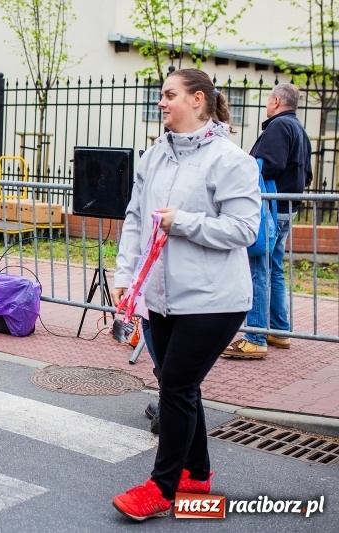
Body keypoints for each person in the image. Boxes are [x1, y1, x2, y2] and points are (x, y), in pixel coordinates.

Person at [110, 68, 260, 521]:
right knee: (179, 383)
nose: (161, 103)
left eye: (169, 95)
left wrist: (184, 222)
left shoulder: (232, 161)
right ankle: (197, 475)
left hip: (215, 299)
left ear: (198, 101)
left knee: (175, 384)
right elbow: (137, 217)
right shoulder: (153, 155)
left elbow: (244, 230)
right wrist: (125, 275)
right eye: (161, 95)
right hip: (161, 295)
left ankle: (161, 487)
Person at [222, 83, 313, 359]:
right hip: (287, 206)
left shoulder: (277, 127)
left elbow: (268, 165)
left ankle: (255, 336)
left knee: (258, 268)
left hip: (269, 208)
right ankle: (278, 330)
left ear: (275, 100)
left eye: (267, 99)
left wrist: (244, 166)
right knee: (274, 268)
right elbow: (307, 173)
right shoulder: (299, 129)